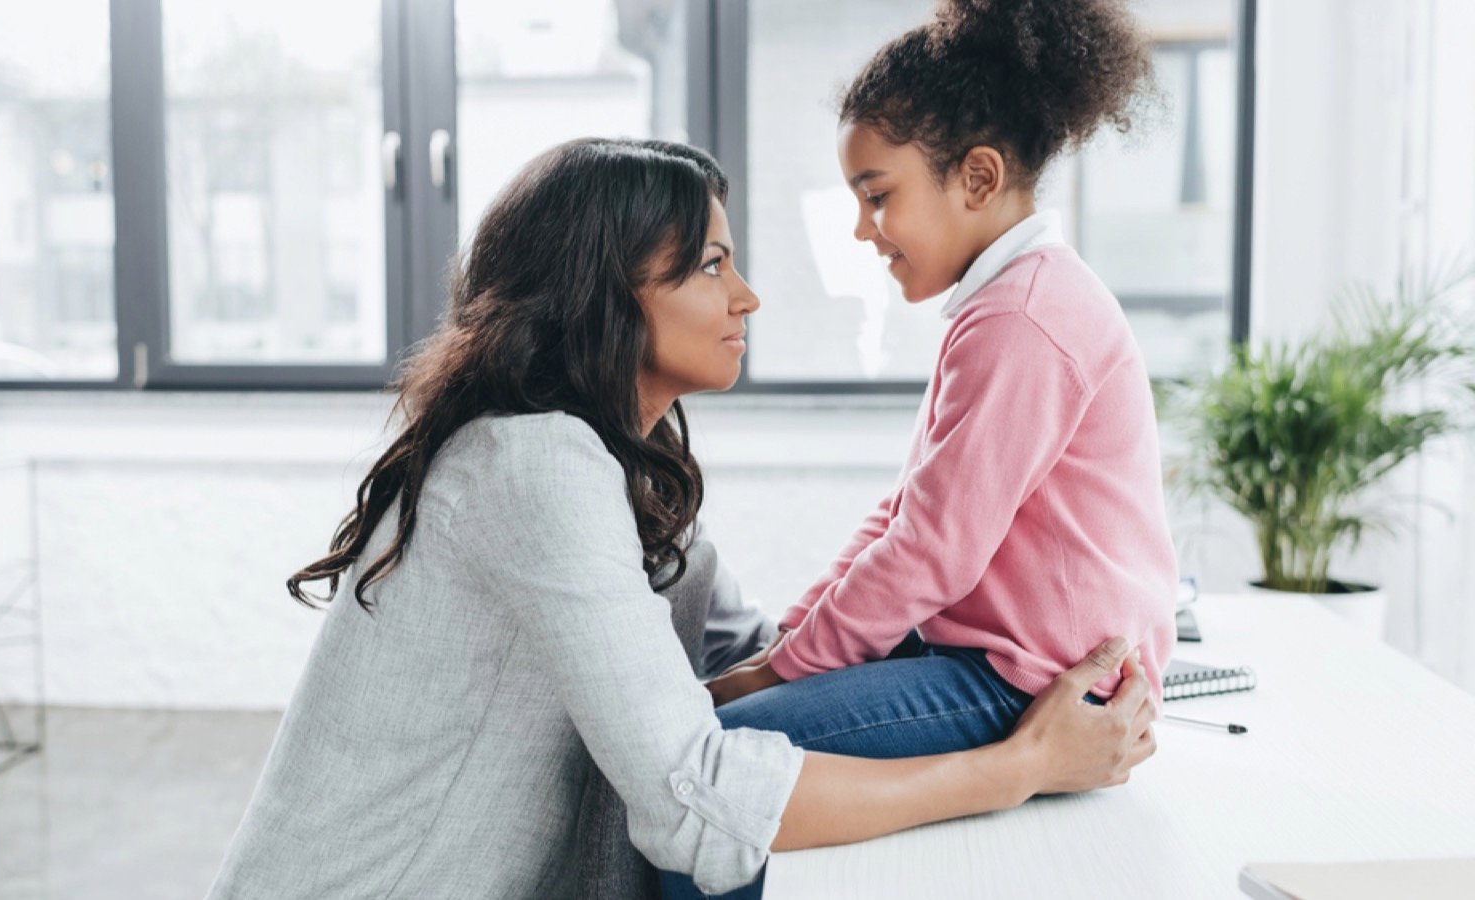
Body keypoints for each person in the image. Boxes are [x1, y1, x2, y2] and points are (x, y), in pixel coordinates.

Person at [206, 137, 1156, 899]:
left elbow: (752, 657)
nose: (747, 296)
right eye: (709, 267)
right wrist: (1022, 762)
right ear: (604, 297)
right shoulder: (530, 467)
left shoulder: (620, 479)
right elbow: (694, 800)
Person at [682, 1, 1177, 893]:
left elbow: (929, 551)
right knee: (730, 711)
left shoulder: (1025, 319)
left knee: (715, 766)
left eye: (879, 196)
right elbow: (909, 509)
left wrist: (776, 673)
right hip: (994, 659)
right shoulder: (1011, 302)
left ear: (978, 178)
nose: (866, 230)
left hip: (1026, 683)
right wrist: (796, 632)